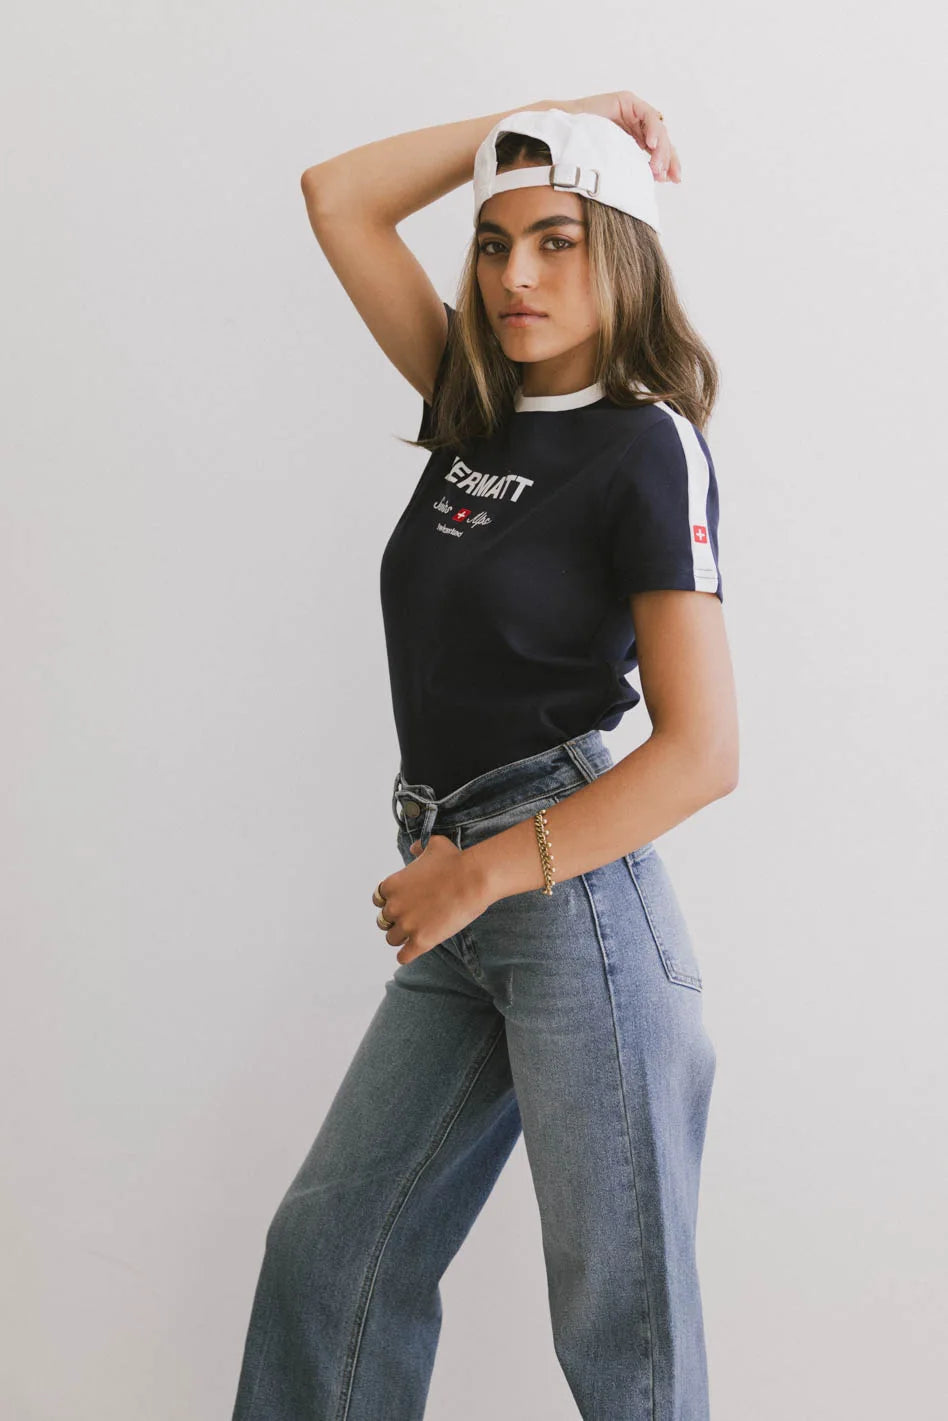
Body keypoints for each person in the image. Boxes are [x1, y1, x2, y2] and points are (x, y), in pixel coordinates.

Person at [231, 90, 739, 1421]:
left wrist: (482, 873)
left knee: (624, 1336)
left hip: (566, 898)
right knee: (332, 1259)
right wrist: (542, 112)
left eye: (557, 240)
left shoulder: (648, 447)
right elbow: (337, 195)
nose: (517, 276)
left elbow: (703, 752)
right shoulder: (474, 403)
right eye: (495, 242)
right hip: (456, 883)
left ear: (619, 248)